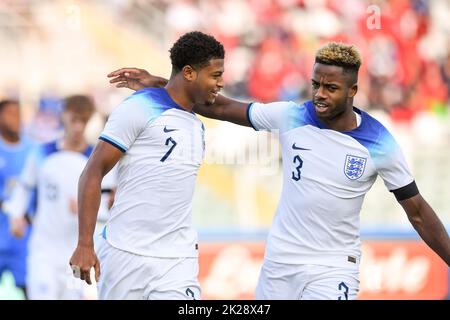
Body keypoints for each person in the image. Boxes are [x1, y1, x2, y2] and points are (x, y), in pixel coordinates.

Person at [108, 42, 450, 300]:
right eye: (316, 84)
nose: (319, 94)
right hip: (279, 265)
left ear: (353, 91)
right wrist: (162, 84)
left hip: (332, 268)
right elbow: (223, 106)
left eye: (330, 88)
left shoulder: (380, 143)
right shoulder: (292, 116)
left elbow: (417, 212)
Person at [69, 31, 225, 300]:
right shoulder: (139, 107)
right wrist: (85, 243)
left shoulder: (196, 124)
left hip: (178, 259)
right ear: (189, 73)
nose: (221, 83)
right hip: (125, 254)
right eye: (215, 75)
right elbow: (92, 173)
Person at [4, 95, 114, 299]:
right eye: (74, 120)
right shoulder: (42, 153)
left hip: (78, 254)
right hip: (43, 251)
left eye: (84, 121)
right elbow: (24, 188)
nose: (78, 127)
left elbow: (111, 207)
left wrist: (88, 208)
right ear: (64, 117)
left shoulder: (97, 160)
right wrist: (16, 215)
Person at [0, 99, 35, 299]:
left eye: (18, 114)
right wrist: (9, 208)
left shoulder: (34, 150)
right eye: (10, 114)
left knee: (31, 291)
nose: (16, 119)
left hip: (23, 240)